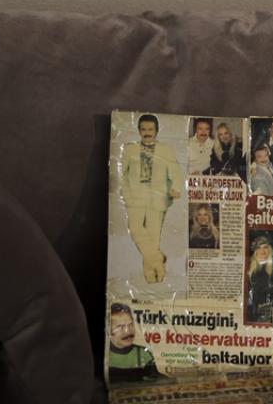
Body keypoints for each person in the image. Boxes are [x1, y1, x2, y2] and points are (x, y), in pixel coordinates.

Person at [121, 114, 182, 284]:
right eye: (143, 129)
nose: (147, 133)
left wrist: (176, 188)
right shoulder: (130, 149)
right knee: (135, 229)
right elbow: (121, 174)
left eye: (150, 129)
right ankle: (158, 259)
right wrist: (126, 193)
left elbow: (176, 172)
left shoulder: (166, 150)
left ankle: (152, 276)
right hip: (135, 197)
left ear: (157, 130)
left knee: (153, 238)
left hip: (158, 198)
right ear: (139, 130)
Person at [109, 303, 164, 383]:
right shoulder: (105, 355)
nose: (128, 331)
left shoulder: (144, 354)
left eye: (130, 325)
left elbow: (155, 379)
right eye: (121, 327)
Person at [247, 235, 273, 322]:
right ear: (255, 251)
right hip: (252, 310)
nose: (262, 250)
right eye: (259, 247)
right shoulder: (249, 266)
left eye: (265, 247)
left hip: (269, 309)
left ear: (269, 250)